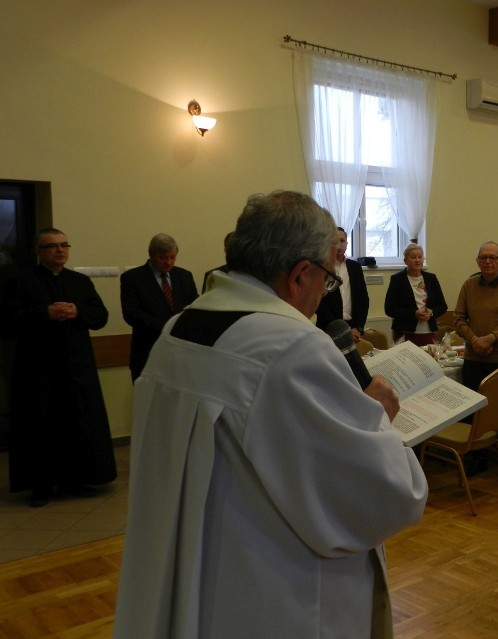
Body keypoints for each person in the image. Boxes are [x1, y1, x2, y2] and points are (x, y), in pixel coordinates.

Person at [113, 190, 427, 638]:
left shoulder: (180, 327)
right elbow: (391, 494)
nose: (324, 294)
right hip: (279, 595)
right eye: (327, 280)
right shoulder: (289, 346)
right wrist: (376, 417)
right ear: (301, 274)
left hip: (191, 571)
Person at [0, 228, 116, 507]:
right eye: (52, 246)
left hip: (76, 367)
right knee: (41, 424)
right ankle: (41, 485)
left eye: (64, 245)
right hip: (37, 368)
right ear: (38, 251)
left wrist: (77, 311)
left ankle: (78, 479)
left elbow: (100, 316)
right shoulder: (21, 281)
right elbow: (6, 321)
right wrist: (45, 313)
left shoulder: (80, 281)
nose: (60, 250)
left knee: (78, 421)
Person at [121, 233, 199, 381]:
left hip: (180, 354)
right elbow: (131, 313)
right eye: (163, 257)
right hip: (148, 352)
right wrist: (167, 326)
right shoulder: (133, 278)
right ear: (151, 255)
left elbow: (193, 307)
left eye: (172, 257)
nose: (169, 262)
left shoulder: (184, 276)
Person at [454, 241, 498, 392]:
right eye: (483, 258)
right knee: (473, 412)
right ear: (477, 262)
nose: (487, 261)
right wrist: (475, 341)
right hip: (474, 359)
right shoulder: (468, 286)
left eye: (493, 257)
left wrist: (490, 338)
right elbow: (458, 319)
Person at [384, 243, 447, 345]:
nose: (417, 260)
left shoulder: (431, 278)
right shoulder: (397, 279)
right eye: (413, 257)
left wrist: (431, 312)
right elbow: (390, 309)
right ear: (405, 260)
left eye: (420, 257)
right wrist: (414, 313)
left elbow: (443, 306)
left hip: (428, 331)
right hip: (404, 331)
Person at [315, 226, 369, 341]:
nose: (339, 245)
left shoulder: (355, 267)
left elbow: (363, 300)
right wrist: (338, 330)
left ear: (347, 243)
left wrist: (358, 328)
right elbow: (318, 302)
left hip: (352, 328)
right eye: (335, 241)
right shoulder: (321, 266)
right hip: (328, 329)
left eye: (342, 241)